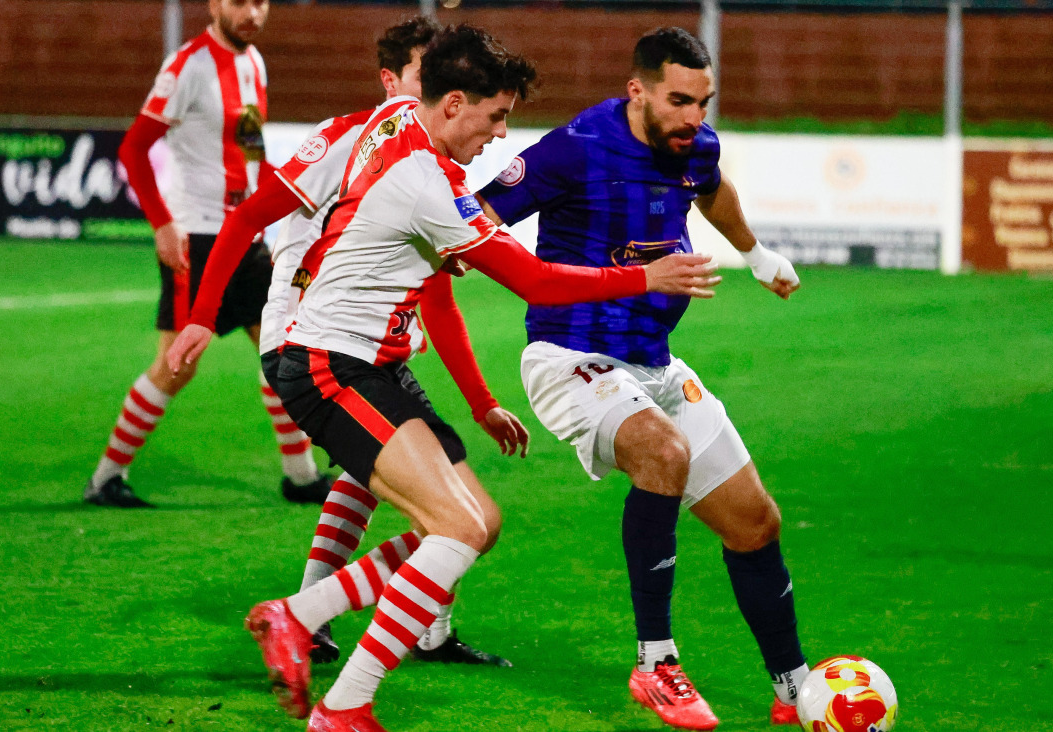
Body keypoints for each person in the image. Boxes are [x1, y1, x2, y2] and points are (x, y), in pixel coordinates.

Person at [235, 24, 720, 730]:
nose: (501, 135)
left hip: (379, 361)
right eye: (497, 117)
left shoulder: (406, 125)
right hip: (330, 364)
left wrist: (481, 399)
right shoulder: (427, 182)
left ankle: (299, 613)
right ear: (456, 102)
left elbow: (436, 267)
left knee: (479, 524)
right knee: (455, 527)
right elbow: (534, 280)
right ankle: (344, 706)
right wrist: (644, 274)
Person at [475, 26, 807, 730]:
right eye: (680, 101)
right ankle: (656, 663)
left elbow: (711, 189)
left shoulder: (696, 146)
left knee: (755, 522)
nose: (695, 118)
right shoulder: (576, 148)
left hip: (654, 362)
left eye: (705, 102)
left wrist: (754, 252)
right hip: (569, 357)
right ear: (638, 90)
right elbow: (474, 220)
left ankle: (796, 689)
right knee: (664, 453)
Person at [166, 16, 518, 673]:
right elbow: (248, 215)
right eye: (425, 73)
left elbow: (437, 295)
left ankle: (344, 620)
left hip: (372, 344)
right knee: (426, 493)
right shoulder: (353, 137)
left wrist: (480, 398)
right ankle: (322, 619)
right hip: (313, 339)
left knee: (409, 484)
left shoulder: (429, 162)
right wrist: (199, 314)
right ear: (397, 80)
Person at [84, 0, 332, 509]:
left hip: (247, 238)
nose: (253, 13)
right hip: (196, 238)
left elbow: (249, 145)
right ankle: (106, 478)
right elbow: (134, 147)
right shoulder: (188, 65)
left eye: (261, 2)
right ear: (216, 4)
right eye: (241, 2)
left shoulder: (254, 61)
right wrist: (162, 224)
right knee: (176, 366)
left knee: (284, 353)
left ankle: (300, 476)